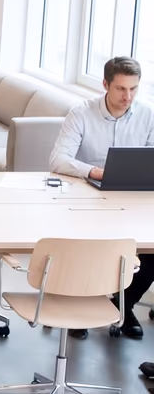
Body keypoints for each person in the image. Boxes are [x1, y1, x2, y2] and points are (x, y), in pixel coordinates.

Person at [50, 55, 154, 339]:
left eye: (133, 89)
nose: (127, 96)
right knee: (91, 249)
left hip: (132, 201)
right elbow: (58, 160)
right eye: (121, 89)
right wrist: (95, 171)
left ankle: (122, 304)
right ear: (106, 84)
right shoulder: (81, 114)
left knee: (152, 254)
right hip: (85, 200)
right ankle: (81, 307)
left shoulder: (147, 115)